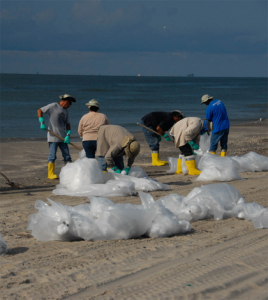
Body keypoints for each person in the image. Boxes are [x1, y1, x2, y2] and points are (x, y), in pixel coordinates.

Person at [37, 94, 76, 179]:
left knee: (67, 156)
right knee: (52, 156)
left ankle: (69, 173)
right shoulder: (53, 106)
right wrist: (41, 122)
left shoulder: (66, 111)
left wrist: (68, 135)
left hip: (63, 138)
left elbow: (68, 124)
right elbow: (40, 110)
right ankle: (50, 174)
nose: (70, 106)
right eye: (70, 104)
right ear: (66, 101)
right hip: (53, 136)